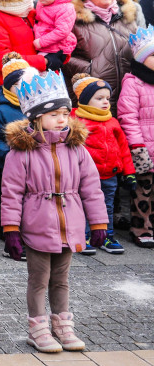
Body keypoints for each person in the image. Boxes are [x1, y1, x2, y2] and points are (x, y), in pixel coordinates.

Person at [1, 71, 106, 353]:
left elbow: (92, 188)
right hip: (38, 226)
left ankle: (63, 326)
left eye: (64, 113)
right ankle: (38, 329)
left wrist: (99, 223)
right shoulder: (21, 152)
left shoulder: (77, 149)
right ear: (37, 117)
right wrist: (11, 229)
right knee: (39, 279)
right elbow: (11, 193)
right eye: (54, 114)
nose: (61, 119)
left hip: (69, 225)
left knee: (61, 280)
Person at [70, 73, 134, 255]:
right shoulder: (76, 121)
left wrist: (129, 172)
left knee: (107, 206)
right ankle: (84, 235)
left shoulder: (112, 122)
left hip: (109, 175)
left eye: (107, 98)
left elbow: (123, 149)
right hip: (85, 175)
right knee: (84, 205)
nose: (105, 102)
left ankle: (107, 235)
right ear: (85, 100)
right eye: (99, 98)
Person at [65, 0, 139, 110]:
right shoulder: (74, 19)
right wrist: (90, 68)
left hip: (128, 101)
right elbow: (64, 57)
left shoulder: (127, 17)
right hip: (92, 101)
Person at [0, 53, 35, 241]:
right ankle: (3, 228)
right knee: (7, 196)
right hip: (8, 163)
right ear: (9, 87)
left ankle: (26, 227)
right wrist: (7, 155)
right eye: (19, 85)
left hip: (33, 164)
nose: (24, 89)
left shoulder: (35, 108)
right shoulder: (2, 110)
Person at [119, 26, 154, 249]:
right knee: (143, 191)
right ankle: (141, 228)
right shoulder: (133, 81)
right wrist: (137, 146)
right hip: (144, 149)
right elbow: (128, 116)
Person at [32, 0, 79, 72]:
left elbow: (62, 30)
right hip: (43, 45)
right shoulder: (41, 5)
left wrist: (42, 42)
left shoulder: (65, 8)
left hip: (55, 47)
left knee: (41, 72)